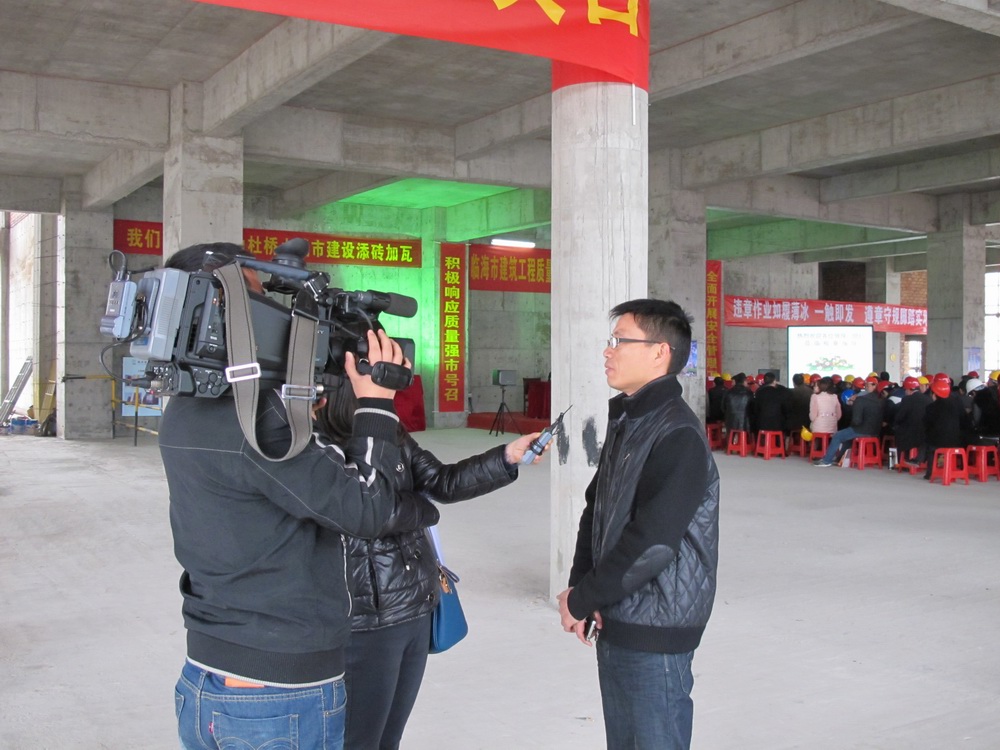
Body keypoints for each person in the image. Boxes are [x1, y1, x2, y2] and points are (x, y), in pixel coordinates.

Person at [161, 242, 439, 750]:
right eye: (256, 301)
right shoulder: (257, 423)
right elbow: (367, 509)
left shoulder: (183, 409)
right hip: (278, 692)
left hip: (208, 674)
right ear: (218, 311)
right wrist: (376, 403)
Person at [313, 377, 544, 750]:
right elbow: (368, 515)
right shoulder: (319, 447)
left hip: (416, 607)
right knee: (358, 739)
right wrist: (422, 510)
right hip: (368, 622)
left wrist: (506, 457)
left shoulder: (394, 435)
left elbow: (443, 481)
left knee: (390, 737)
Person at [557, 298, 720, 750]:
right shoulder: (631, 420)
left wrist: (583, 598)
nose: (607, 351)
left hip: (656, 629)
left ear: (659, 353)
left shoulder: (678, 434)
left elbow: (652, 543)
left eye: (620, 341)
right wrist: (582, 588)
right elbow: (597, 508)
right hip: (618, 614)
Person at [813, 375, 883, 467]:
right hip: (875, 431)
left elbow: (856, 420)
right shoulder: (880, 400)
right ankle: (839, 458)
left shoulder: (860, 400)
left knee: (838, 436)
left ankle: (827, 460)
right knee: (847, 437)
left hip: (861, 430)